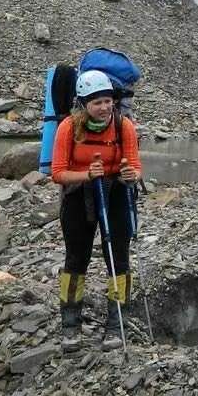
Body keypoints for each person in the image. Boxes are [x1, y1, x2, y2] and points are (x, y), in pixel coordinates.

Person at [49, 69, 142, 330]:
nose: (104, 107)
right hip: (79, 194)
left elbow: (136, 168)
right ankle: (70, 322)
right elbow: (57, 173)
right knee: (77, 257)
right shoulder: (68, 127)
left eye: (107, 101)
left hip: (117, 192)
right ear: (83, 104)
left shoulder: (124, 127)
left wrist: (129, 174)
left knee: (119, 257)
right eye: (96, 102)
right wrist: (87, 174)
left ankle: (117, 321)